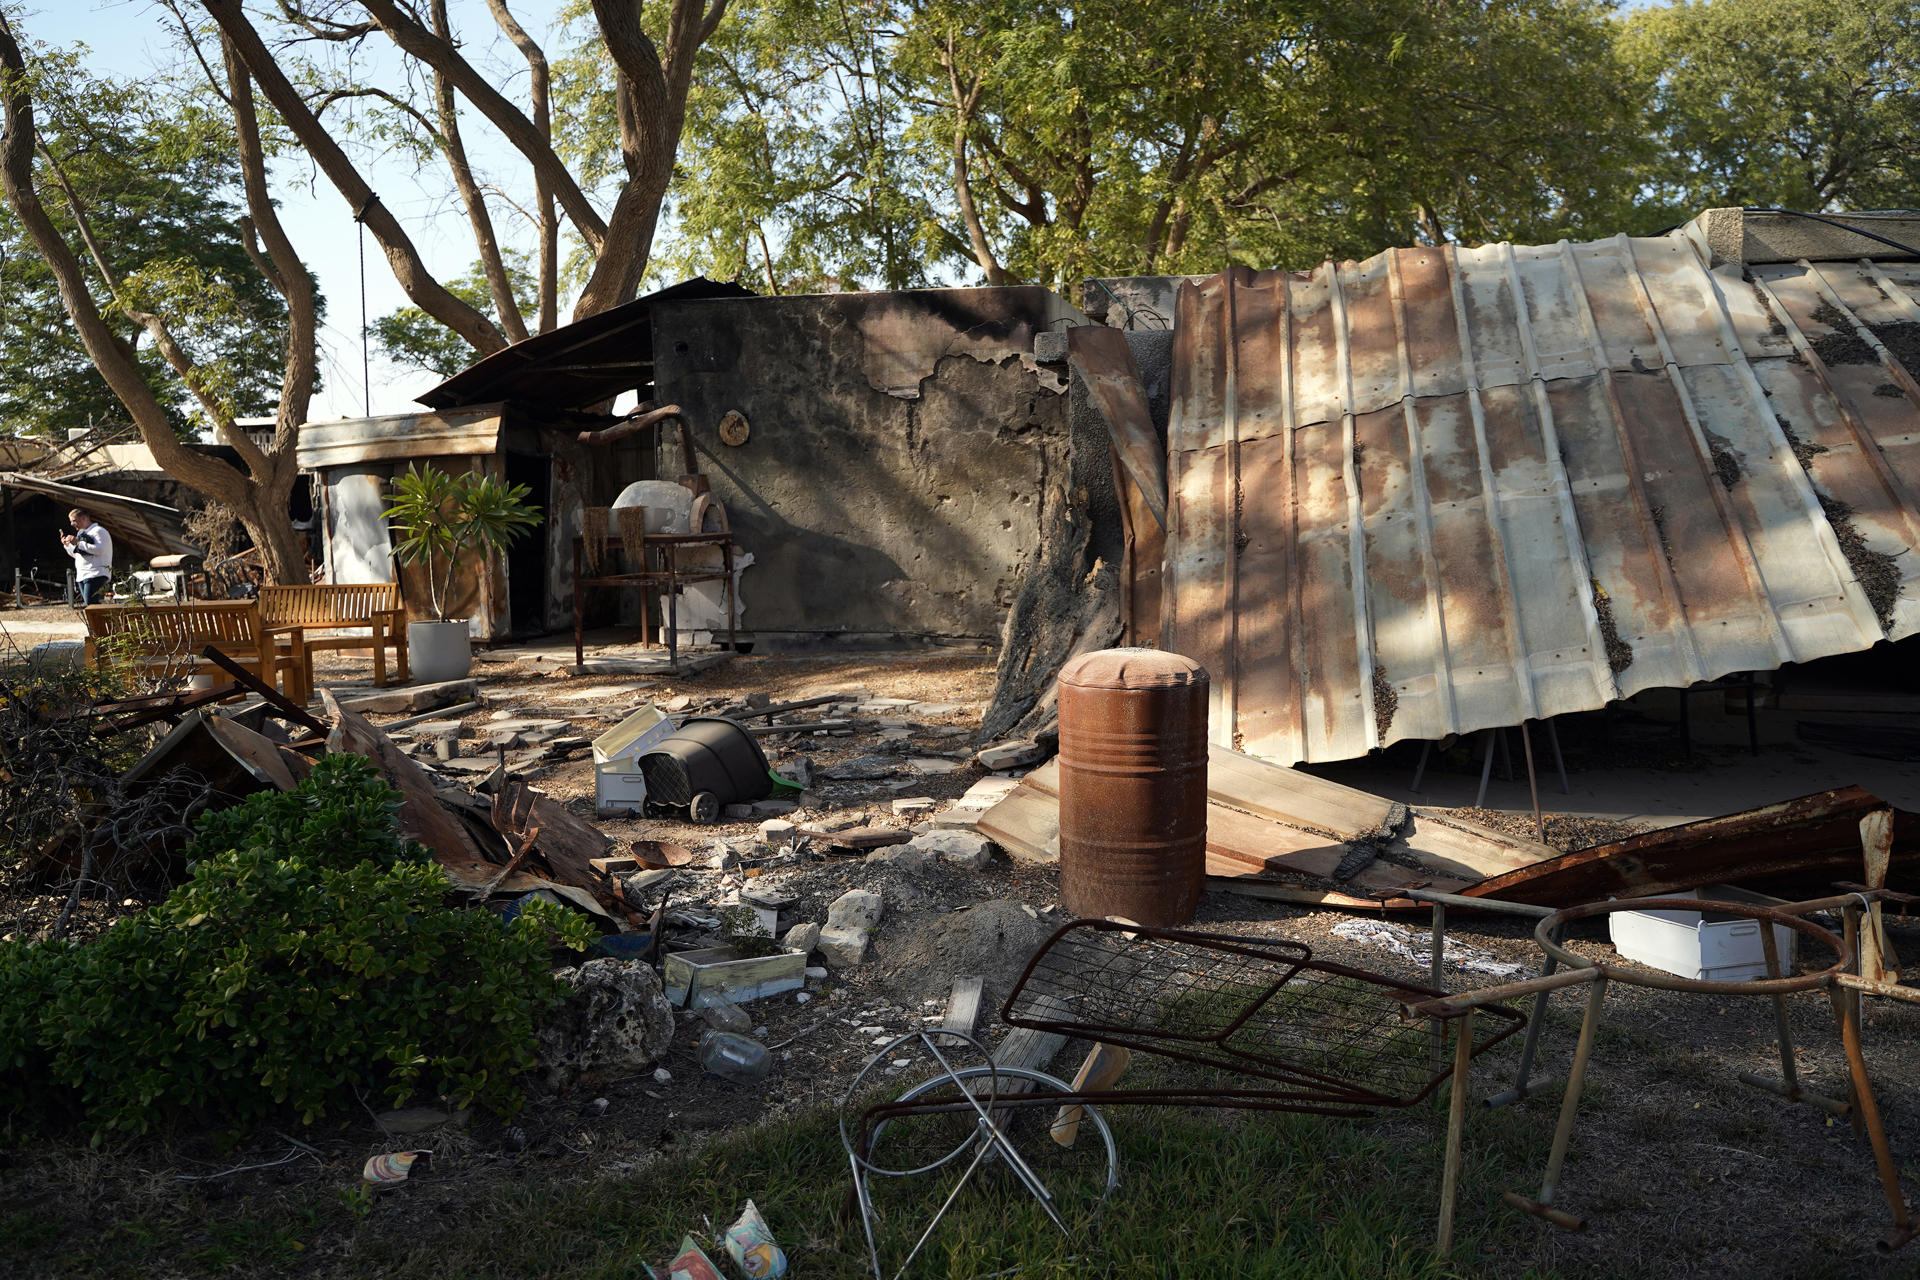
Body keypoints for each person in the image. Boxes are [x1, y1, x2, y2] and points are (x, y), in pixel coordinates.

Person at [60, 507, 113, 605]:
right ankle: (100, 619)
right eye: (71, 521)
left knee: (91, 603)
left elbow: (100, 550)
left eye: (74, 520)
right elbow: (79, 555)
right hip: (83, 575)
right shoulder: (82, 534)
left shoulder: (99, 531)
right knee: (90, 604)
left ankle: (103, 619)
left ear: (84, 518)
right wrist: (68, 546)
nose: (72, 524)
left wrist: (78, 543)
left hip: (96, 573)